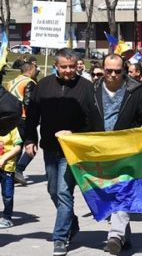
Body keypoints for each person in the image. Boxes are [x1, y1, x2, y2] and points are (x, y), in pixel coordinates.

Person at [24, 48, 98, 256]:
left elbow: (92, 121)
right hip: (49, 147)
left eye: (72, 67)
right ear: (56, 65)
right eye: (64, 67)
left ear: (78, 66)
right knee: (53, 190)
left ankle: (60, 238)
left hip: (72, 151)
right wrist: (30, 139)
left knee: (65, 192)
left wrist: (74, 133)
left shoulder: (86, 87)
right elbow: (32, 115)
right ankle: (70, 221)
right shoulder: (44, 85)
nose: (68, 71)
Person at [91, 54, 142, 255]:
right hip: (100, 151)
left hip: (127, 151)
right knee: (108, 192)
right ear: (103, 69)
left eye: (117, 71)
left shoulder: (135, 90)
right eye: (108, 70)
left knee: (122, 191)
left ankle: (115, 236)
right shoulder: (91, 89)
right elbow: (82, 116)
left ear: (124, 70)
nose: (112, 75)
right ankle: (125, 236)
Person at [6, 62, 38, 186]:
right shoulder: (29, 82)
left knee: (16, 144)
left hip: (11, 118)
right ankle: (19, 169)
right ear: (30, 70)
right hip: (24, 118)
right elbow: (29, 102)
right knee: (32, 145)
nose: (36, 71)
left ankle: (11, 171)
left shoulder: (11, 82)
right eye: (35, 69)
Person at [0, 126, 22, 229]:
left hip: (7, 167)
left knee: (7, 195)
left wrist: (4, 158)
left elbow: (18, 147)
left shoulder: (12, 127)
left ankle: (7, 217)